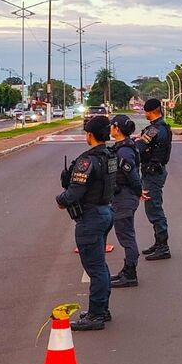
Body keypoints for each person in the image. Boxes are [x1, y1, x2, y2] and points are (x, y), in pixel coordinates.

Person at [57, 115, 117, 331]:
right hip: (105, 211)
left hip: (91, 217)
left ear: (90, 135)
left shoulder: (86, 161)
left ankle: (95, 315)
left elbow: (74, 192)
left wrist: (60, 200)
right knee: (100, 265)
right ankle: (102, 309)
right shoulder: (110, 155)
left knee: (95, 268)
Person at [108, 114, 143, 288]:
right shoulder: (122, 147)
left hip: (124, 198)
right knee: (125, 234)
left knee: (126, 236)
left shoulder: (124, 151)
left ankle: (130, 274)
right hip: (122, 196)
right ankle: (127, 270)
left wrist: (139, 191)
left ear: (117, 129)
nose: (110, 129)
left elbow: (132, 175)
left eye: (111, 126)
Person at [137, 98, 173, 260]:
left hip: (153, 173)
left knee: (154, 208)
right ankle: (158, 243)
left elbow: (139, 148)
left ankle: (163, 246)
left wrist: (134, 141)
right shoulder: (161, 127)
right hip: (154, 171)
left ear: (150, 111)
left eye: (145, 111)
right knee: (153, 207)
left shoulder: (154, 130)